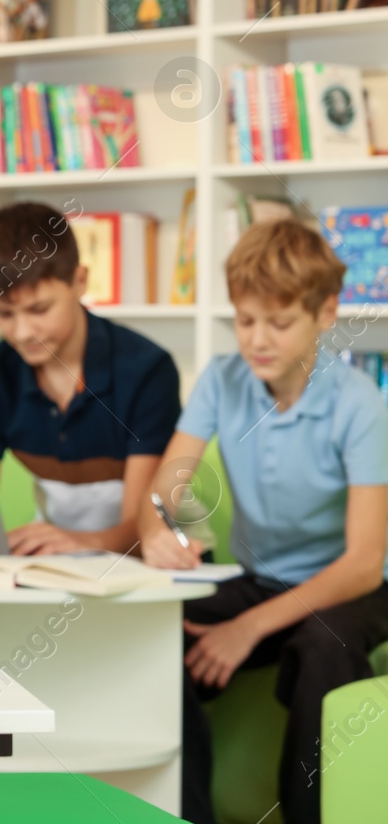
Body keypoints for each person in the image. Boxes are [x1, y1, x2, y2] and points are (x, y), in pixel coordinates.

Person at [139, 219, 388, 824]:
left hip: (349, 588)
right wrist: (154, 529)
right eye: (245, 320)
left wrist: (247, 628)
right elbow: (170, 483)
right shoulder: (222, 381)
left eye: (278, 323)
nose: (257, 339)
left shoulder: (360, 405)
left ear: (326, 312)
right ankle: (183, 814)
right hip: (260, 577)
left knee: (321, 648)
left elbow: (362, 564)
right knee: (148, 632)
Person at [0, 201, 193, 555]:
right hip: (58, 562)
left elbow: (143, 527)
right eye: (4, 313)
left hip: (157, 558)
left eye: (39, 309)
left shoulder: (147, 370)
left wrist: (79, 543)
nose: (23, 332)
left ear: (80, 281)